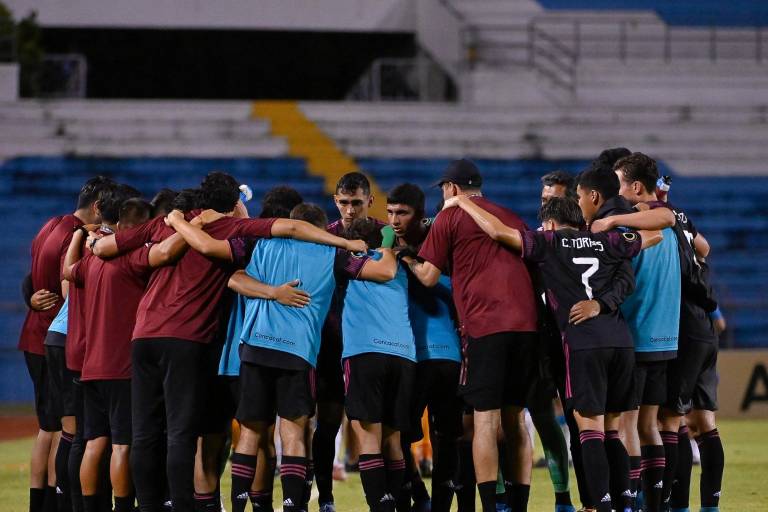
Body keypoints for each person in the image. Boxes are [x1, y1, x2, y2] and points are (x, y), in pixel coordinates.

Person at [88, 172, 365, 511]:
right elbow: (287, 232)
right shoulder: (240, 231)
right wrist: (346, 244)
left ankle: (166, 506)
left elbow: (109, 248)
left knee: (159, 435)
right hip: (207, 344)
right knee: (207, 434)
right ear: (234, 204)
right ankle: (247, 505)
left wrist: (93, 242)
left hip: (155, 338)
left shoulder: (166, 224)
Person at [444, 195, 663, 512]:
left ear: (549, 223)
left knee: (590, 430)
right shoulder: (608, 240)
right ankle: (626, 504)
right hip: (620, 341)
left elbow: (497, 231)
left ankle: (602, 505)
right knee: (613, 430)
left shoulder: (549, 242)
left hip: (583, 342)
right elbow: (654, 235)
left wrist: (464, 202)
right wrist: (618, 221)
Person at [404, 159, 539, 512]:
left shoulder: (449, 216)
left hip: (485, 326)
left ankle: (490, 506)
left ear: (451, 188)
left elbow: (429, 276)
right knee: (516, 419)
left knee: (485, 420)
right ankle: (519, 506)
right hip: (527, 326)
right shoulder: (510, 216)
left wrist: (406, 259)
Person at [595, 177, 724, 512]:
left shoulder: (645, 218)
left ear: (637, 187)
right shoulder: (676, 216)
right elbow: (705, 248)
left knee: (664, 422)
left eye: (622, 184)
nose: (619, 192)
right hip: (700, 325)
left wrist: (612, 221)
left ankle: (667, 504)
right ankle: (694, 505)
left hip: (676, 327)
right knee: (699, 422)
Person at [63, 198, 188, 512]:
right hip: (121, 367)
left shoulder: (92, 260)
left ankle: (88, 507)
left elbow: (68, 272)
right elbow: (165, 253)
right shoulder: (134, 258)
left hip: (91, 366)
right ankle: (122, 507)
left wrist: (79, 236)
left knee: (94, 441)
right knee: (122, 444)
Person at [18, 176, 114, 512]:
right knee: (64, 428)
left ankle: (41, 504)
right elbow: (68, 284)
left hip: (36, 336)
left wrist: (30, 298)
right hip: (57, 339)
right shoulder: (78, 235)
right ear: (98, 206)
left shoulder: (50, 225)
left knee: (48, 428)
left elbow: (31, 277)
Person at [386, 184, 463, 512]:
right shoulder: (385, 246)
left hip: (446, 355)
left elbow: (457, 290)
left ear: (419, 215)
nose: (394, 220)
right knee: (399, 435)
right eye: (390, 212)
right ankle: (419, 496)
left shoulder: (441, 245)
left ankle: (439, 504)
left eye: (402, 213)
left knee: (447, 436)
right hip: (408, 356)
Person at [315, 172, 387, 512]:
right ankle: (325, 498)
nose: (349, 210)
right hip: (331, 343)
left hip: (374, 343)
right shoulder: (324, 237)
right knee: (328, 420)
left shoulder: (384, 236)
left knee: (382, 427)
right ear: (335, 201)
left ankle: (392, 497)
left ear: (369, 201)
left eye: (356, 203)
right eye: (343, 203)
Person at [340, 218, 415, 512]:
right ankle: (395, 504)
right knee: (393, 439)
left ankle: (380, 508)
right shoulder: (402, 265)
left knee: (369, 439)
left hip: (365, 351)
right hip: (404, 355)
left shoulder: (352, 261)